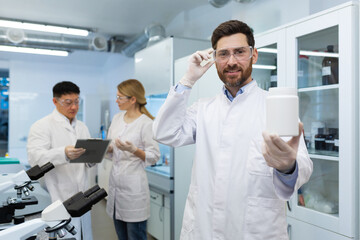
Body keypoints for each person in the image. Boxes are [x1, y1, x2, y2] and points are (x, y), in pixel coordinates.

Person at [153, 20, 313, 240]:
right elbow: (164, 132)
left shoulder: (275, 106)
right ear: (215, 59)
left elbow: (302, 166)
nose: (231, 62)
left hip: (255, 231)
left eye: (239, 52)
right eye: (223, 54)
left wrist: (287, 167)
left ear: (253, 55)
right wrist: (187, 80)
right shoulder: (203, 109)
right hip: (204, 229)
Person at [27, 81, 93, 240]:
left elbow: (89, 161)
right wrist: (63, 153)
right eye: (68, 103)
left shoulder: (82, 126)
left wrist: (95, 155)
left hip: (82, 194)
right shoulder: (42, 126)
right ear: (55, 101)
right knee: (64, 235)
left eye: (77, 102)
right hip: (58, 194)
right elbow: (35, 158)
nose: (74, 107)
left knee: (83, 234)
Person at [106, 79, 160, 240]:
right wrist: (106, 148)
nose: (116, 101)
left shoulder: (146, 123)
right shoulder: (117, 118)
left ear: (133, 99)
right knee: (121, 236)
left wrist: (133, 150)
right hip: (115, 186)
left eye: (120, 97)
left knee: (135, 236)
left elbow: (154, 156)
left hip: (134, 189)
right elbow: (110, 147)